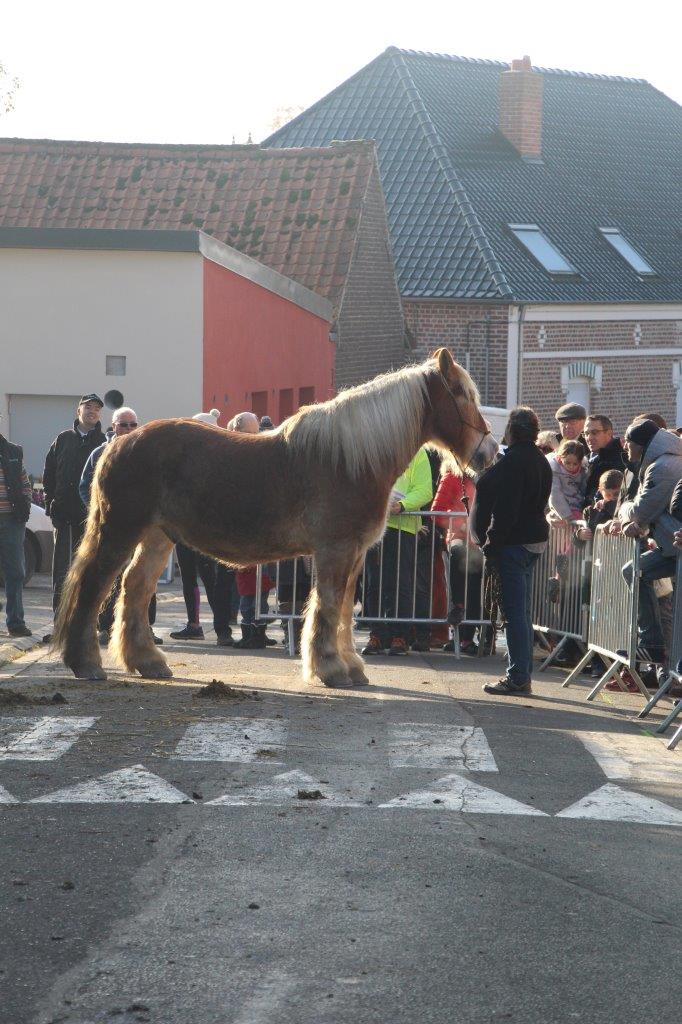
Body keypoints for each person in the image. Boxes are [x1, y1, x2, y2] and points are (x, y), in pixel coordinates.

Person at [472, 406, 552, 696]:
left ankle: (518, 677)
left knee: (516, 613)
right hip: (533, 541)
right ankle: (521, 673)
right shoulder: (540, 460)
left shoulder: (514, 462)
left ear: (512, 431)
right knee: (522, 611)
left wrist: (491, 543)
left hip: (514, 545)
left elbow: (505, 510)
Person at [79, 407, 162, 646]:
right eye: (123, 424)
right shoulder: (100, 453)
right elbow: (85, 486)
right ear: (113, 426)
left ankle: (145, 627)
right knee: (110, 573)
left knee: (145, 574)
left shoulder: (146, 453)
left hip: (141, 525)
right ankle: (105, 626)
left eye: (132, 425)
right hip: (112, 525)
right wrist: (99, 513)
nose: (128, 429)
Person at [612, 419, 682, 667]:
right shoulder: (660, 460)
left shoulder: (662, 466)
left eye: (628, 445)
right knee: (634, 571)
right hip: (670, 543)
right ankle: (653, 646)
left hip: (675, 545)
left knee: (636, 573)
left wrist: (625, 513)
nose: (626, 450)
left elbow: (641, 510)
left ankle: (655, 647)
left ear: (639, 444)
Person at [169, 410, 235, 646]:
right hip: (186, 529)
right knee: (190, 578)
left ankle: (220, 627)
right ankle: (196, 624)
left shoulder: (220, 460)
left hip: (207, 531)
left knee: (211, 580)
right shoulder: (186, 460)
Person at [362, 446, 433, 656]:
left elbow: (425, 490)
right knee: (374, 583)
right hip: (375, 526)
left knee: (400, 584)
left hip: (404, 528)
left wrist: (401, 505)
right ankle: (376, 634)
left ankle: (399, 636)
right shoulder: (377, 448)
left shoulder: (418, 453)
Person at [43, 394, 106, 615]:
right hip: (63, 516)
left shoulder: (103, 443)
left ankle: (86, 623)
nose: (92, 411)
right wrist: (50, 501)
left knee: (89, 571)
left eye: (97, 408)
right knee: (62, 572)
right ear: (78, 411)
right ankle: (60, 622)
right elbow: (49, 473)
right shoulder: (63, 439)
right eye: (88, 407)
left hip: (91, 518)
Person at [432, 462, 489, 656]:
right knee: (460, 563)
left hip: (481, 541)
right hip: (459, 539)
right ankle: (459, 612)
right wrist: (461, 524)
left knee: (477, 587)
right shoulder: (451, 477)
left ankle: (474, 634)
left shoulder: (486, 476)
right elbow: (437, 511)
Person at [0, 423, 32, 637]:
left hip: (12, 520)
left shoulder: (13, 451)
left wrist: (25, 505)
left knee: (16, 572)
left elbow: (24, 483)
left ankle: (16, 623)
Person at [582, 414, 625, 506]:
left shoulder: (620, 459)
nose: (589, 438)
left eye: (594, 432)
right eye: (586, 434)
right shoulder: (587, 460)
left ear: (609, 433)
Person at [547, 439, 587, 523]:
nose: (571, 467)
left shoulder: (583, 470)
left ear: (580, 462)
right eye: (567, 463)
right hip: (561, 510)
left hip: (577, 506)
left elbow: (584, 490)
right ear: (560, 458)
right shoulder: (555, 469)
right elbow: (555, 493)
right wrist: (567, 515)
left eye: (575, 464)